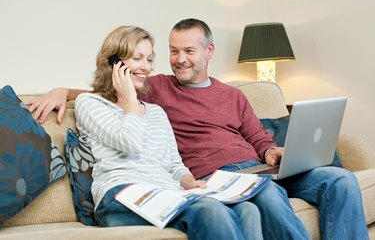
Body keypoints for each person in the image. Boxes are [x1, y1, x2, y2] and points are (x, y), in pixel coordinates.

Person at [28, 19, 368, 239]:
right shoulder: (156, 89)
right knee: (257, 196)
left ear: (209, 51)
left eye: (188, 51)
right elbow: (108, 98)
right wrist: (63, 91)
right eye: (173, 52)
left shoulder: (225, 96)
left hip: (261, 167)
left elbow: (253, 137)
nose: (178, 60)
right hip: (220, 176)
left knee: (340, 178)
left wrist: (270, 151)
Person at [66, 25, 264, 240]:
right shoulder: (90, 103)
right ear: (114, 62)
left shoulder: (156, 112)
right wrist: (130, 99)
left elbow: (174, 164)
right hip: (120, 195)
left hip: (168, 193)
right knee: (210, 210)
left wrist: (191, 183)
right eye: (137, 58)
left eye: (149, 59)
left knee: (247, 209)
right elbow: (129, 142)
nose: (145, 67)